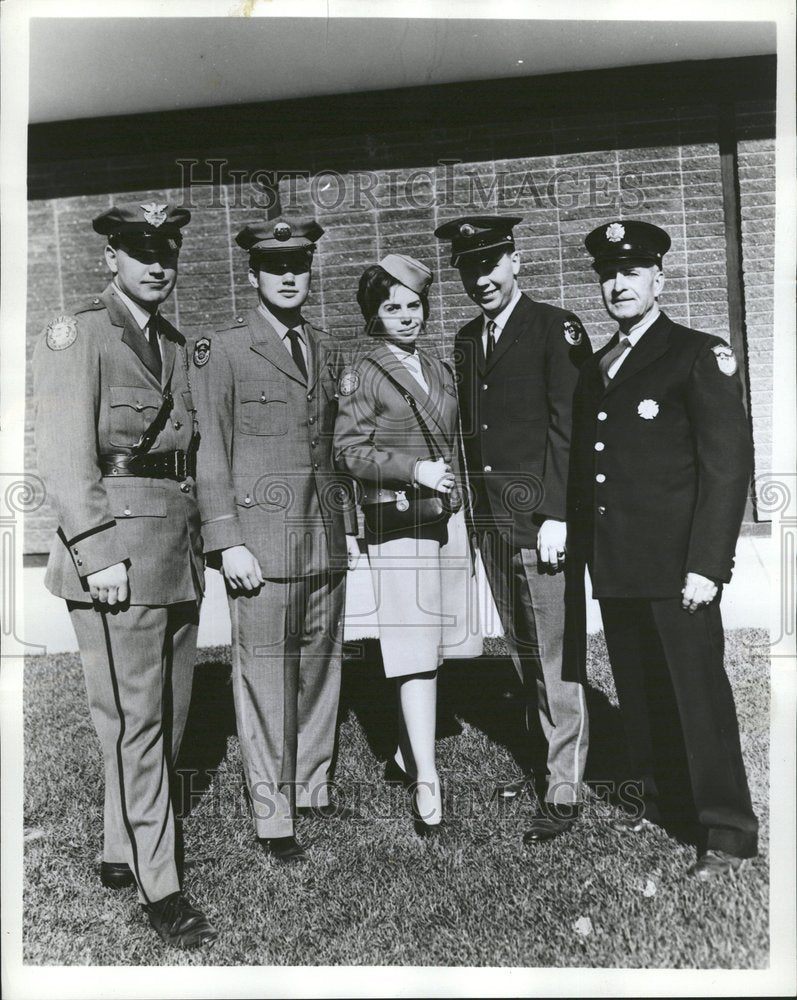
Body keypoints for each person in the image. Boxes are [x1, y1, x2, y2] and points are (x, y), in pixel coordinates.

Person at [32, 202, 216, 948]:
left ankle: (118, 846)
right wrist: (98, 553)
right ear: (110, 257)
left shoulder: (172, 341)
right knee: (138, 722)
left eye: (166, 249)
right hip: (115, 561)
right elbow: (65, 460)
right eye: (139, 250)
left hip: (173, 551)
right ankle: (159, 884)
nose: (156, 263)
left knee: (162, 719)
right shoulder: (76, 334)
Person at [570, 218, 758, 879]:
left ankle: (725, 831)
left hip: (679, 569)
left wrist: (707, 565)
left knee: (697, 698)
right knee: (643, 693)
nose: (617, 285)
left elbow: (727, 468)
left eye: (630, 272)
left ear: (659, 278)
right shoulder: (599, 366)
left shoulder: (695, 354)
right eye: (607, 275)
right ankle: (663, 803)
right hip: (620, 563)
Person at [192, 215, 360, 865]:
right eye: (275, 266)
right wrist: (226, 541)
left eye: (298, 265)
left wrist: (350, 526)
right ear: (254, 274)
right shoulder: (224, 349)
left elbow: (332, 450)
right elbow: (210, 453)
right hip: (259, 549)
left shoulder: (325, 347)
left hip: (323, 542)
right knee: (264, 680)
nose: (288, 276)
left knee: (320, 673)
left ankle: (313, 787)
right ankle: (273, 817)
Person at [434, 215, 592, 844]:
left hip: (542, 524)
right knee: (524, 650)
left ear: (515, 262)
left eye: (491, 263)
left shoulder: (556, 327)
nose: (482, 278)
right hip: (493, 523)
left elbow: (570, 430)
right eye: (470, 269)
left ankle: (564, 787)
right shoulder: (468, 339)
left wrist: (558, 513)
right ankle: (542, 762)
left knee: (556, 655)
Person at [333, 253, 480, 834]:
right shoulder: (365, 371)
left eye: (414, 305)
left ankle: (403, 753)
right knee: (414, 649)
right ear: (375, 315)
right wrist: (413, 470)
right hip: (399, 521)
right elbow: (347, 450)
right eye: (391, 308)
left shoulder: (438, 368)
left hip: (444, 520)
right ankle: (427, 777)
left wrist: (455, 492)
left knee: (443, 641)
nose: (406, 317)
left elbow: (457, 441)